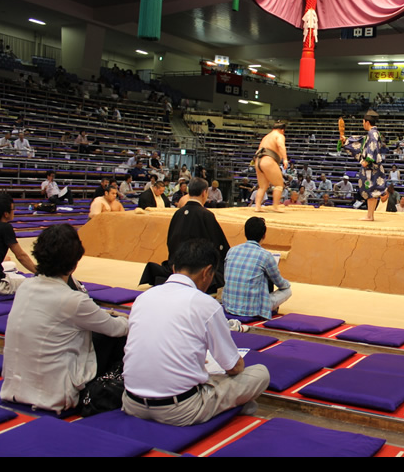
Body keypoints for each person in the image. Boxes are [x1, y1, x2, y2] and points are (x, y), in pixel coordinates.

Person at [122, 239, 270, 426]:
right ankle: (236, 406)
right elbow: (234, 367)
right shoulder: (205, 304)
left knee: (206, 373)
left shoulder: (143, 298)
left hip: (131, 402)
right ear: (208, 272)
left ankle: (237, 406)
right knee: (259, 373)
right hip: (180, 410)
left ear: (174, 267)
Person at [0, 224, 128, 414]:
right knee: (117, 336)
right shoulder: (72, 300)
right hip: (55, 395)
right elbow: (117, 328)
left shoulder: (25, 287)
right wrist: (125, 319)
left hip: (13, 389)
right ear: (74, 262)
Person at [139, 178, 230, 294]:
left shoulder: (178, 213)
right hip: (198, 267)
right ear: (204, 193)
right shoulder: (206, 215)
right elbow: (219, 244)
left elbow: (171, 242)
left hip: (177, 265)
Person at [223, 217, 293, 319]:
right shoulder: (265, 255)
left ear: (245, 233)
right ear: (264, 235)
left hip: (229, 305)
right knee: (287, 291)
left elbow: (226, 277)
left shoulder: (232, 251)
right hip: (254, 309)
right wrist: (288, 284)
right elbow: (280, 283)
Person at [340, 111, 386, 221]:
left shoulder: (372, 134)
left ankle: (370, 215)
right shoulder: (372, 133)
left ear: (367, 122)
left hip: (371, 167)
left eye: (363, 121)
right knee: (372, 191)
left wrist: (368, 160)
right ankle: (370, 215)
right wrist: (346, 141)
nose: (362, 123)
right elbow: (361, 143)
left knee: (371, 190)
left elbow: (373, 148)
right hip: (372, 167)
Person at [0, 193, 38, 295]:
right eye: (12, 209)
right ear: (6, 214)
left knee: (9, 262)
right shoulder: (5, 228)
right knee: (37, 284)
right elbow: (21, 256)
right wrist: (40, 273)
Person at [252, 122, 288, 212]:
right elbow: (281, 146)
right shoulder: (279, 135)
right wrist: (285, 159)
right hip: (268, 160)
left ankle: (257, 207)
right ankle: (275, 206)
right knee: (279, 185)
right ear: (282, 130)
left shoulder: (266, 136)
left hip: (258, 161)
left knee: (262, 186)